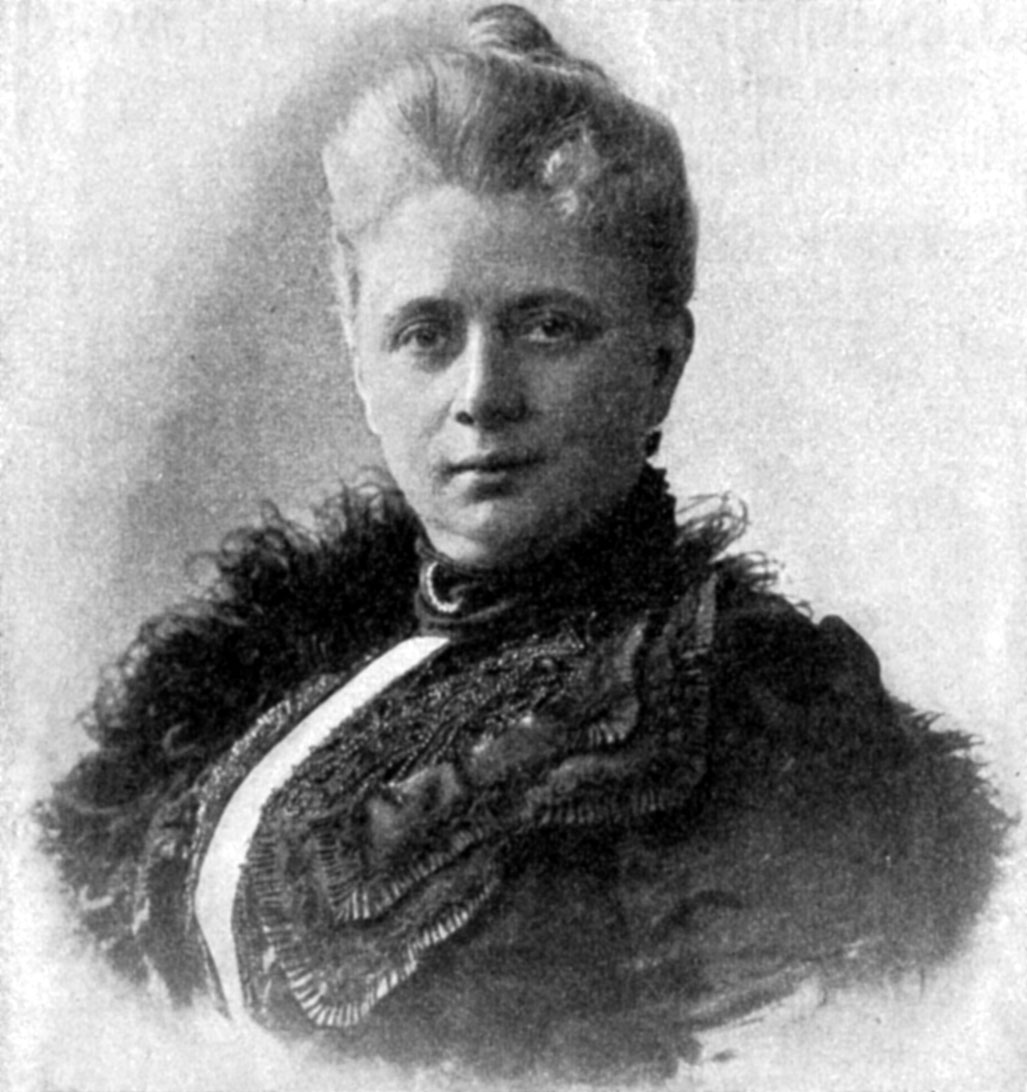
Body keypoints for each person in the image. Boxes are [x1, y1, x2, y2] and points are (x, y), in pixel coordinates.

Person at [39, 4, 1007, 1083]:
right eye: (425, 334)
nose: (483, 395)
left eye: (549, 327)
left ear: (660, 365)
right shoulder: (288, 669)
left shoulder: (752, 725)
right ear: (360, 362)